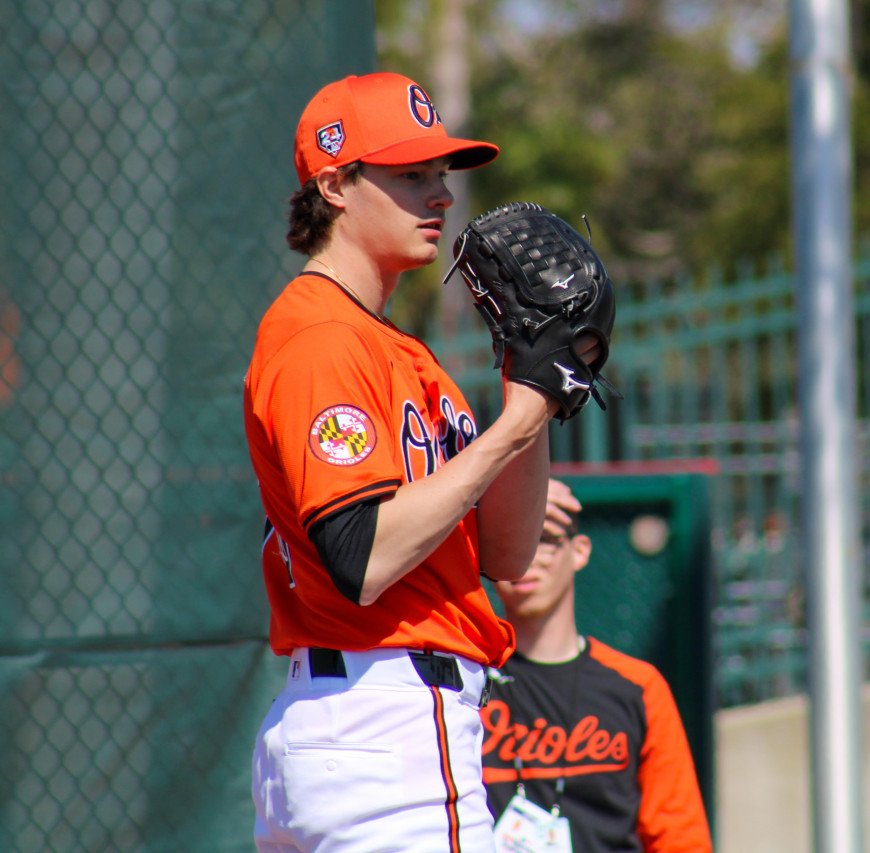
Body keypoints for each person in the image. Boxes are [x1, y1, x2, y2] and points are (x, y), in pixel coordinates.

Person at [244, 72, 596, 852]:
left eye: (441, 174)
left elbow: (505, 553)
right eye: (410, 174)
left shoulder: (405, 353)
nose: (439, 194)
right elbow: (360, 555)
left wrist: (528, 391)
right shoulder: (319, 337)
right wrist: (503, 435)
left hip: (367, 726)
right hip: (389, 727)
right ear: (335, 183)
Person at [481, 478, 714, 853]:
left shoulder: (637, 686)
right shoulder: (465, 680)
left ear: (580, 551)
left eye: (544, 540)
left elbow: (680, 837)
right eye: (511, 539)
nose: (526, 556)